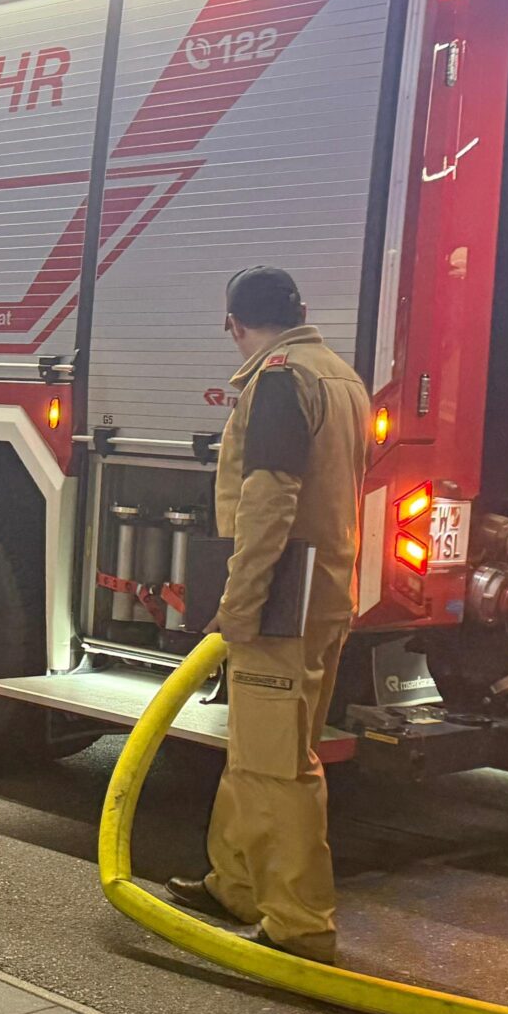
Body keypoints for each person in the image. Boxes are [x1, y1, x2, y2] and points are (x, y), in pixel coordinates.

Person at [164, 266, 369, 964]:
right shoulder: (341, 376)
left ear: (233, 325)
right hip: (326, 593)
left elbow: (269, 502)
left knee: (277, 766)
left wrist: (238, 605)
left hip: (280, 603)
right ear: (301, 310)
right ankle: (237, 882)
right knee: (259, 750)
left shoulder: (280, 379)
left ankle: (298, 922)